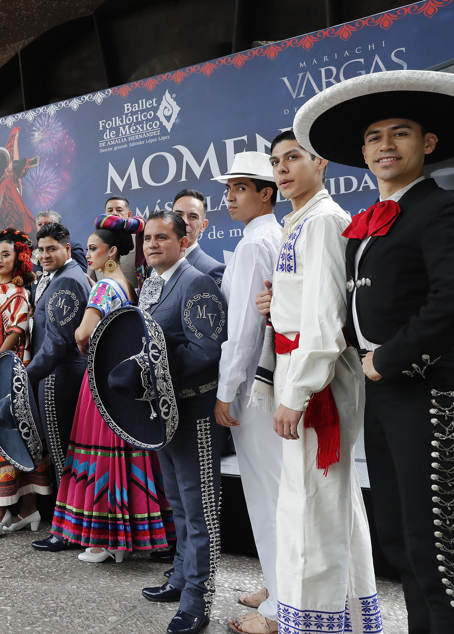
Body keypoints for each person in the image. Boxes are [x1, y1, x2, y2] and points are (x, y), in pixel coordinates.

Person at [295, 69, 454, 633]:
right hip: (384, 399)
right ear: (362, 152)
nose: (386, 145)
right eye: (374, 137)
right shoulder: (370, 223)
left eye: (401, 133)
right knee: (400, 538)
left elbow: (450, 303)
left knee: (439, 547)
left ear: (428, 143)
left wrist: (384, 359)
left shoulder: (442, 209)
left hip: (432, 396)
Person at [256, 130, 380, 632]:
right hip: (303, 365)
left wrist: (298, 391)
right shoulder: (300, 221)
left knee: (312, 507)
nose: (282, 169)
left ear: (320, 162)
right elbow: (308, 299)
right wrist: (278, 302)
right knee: (327, 502)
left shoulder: (325, 220)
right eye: (276, 162)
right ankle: (348, 616)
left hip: (318, 375)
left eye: (293, 158)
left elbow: (327, 319)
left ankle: (313, 624)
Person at [48, 214, 176, 563]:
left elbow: (82, 333)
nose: (86, 254)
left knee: (101, 458)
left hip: (100, 381)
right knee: (123, 456)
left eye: (93, 248)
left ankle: (103, 540)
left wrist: (85, 348)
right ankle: (120, 539)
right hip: (121, 381)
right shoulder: (127, 284)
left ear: (112, 251)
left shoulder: (104, 286)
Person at [137, 211, 227, 634]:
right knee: (177, 503)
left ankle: (198, 600)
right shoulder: (149, 284)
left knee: (199, 509)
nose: (152, 244)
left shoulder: (195, 281)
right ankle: (179, 578)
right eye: (147, 238)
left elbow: (206, 350)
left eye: (161, 237)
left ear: (183, 238)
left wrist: (154, 375)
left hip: (194, 412)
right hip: (164, 415)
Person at [210, 152, 283, 634]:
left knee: (268, 494)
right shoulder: (262, 237)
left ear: (266, 193)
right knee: (269, 493)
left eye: (240, 187)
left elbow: (243, 331)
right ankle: (278, 587)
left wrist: (226, 390)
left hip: (257, 387)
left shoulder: (258, 243)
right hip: (267, 382)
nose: (230, 197)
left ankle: (281, 605)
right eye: (229, 188)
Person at [0, 230, 52, 538]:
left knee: (1, 441)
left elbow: (17, 332)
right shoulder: (2, 292)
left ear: (19, 258)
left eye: (5, 255)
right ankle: (28, 508)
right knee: (14, 439)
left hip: (6, 378)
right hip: (0, 373)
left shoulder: (17, 294)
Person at [27, 222, 90, 485]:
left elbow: (56, 343)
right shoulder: (69, 275)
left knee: (62, 453)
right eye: (40, 250)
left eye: (51, 249)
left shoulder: (66, 280)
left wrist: (24, 378)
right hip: (62, 376)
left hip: (58, 378)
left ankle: (66, 523)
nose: (44, 256)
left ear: (66, 248)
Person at [172, 189, 224, 284]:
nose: (184, 221)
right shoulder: (155, 268)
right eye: (178, 215)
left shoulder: (212, 271)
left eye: (193, 217)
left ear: (203, 225)